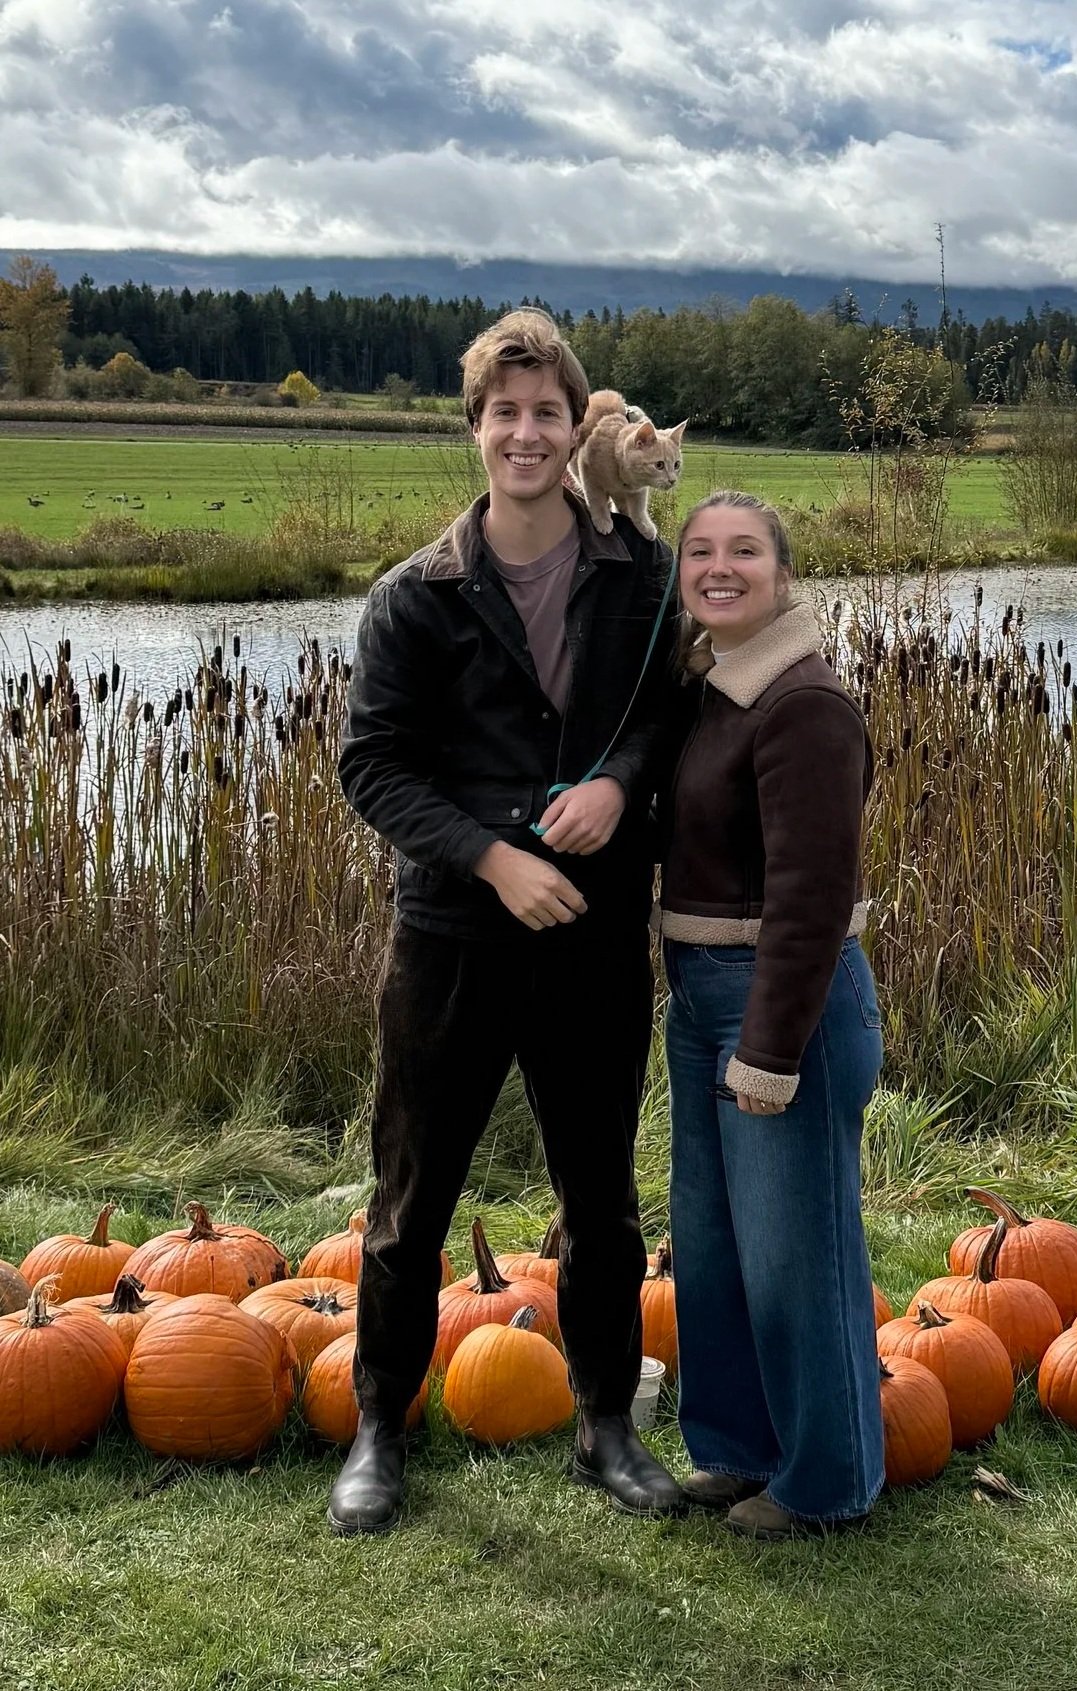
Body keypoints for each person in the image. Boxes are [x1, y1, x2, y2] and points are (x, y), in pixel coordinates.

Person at [330, 309, 682, 1535]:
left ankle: (605, 1424)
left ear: (575, 426)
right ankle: (380, 1425)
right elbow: (372, 765)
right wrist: (489, 856)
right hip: (451, 941)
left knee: (602, 1197)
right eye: (503, 413)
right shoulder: (413, 598)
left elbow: (664, 716)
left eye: (546, 412)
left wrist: (617, 784)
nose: (524, 433)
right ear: (473, 429)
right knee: (409, 1199)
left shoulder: (640, 575)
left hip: (592, 932)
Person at [656, 490, 885, 1541]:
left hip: (781, 1000)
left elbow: (811, 895)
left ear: (783, 575)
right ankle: (738, 1448)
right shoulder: (713, 691)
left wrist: (770, 1047)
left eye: (744, 550)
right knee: (713, 1245)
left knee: (796, 1251)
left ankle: (826, 1479)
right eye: (699, 550)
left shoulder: (804, 704)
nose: (719, 567)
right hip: (700, 995)